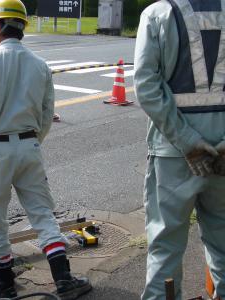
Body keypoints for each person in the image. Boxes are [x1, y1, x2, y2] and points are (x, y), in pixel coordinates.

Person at [0, 0, 92, 298]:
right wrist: (32, 143)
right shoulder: (39, 65)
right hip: (29, 147)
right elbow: (46, 112)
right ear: (21, 27)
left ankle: (4, 289)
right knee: (42, 214)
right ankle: (64, 280)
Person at [134, 0, 225, 299]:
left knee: (165, 248)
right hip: (223, 156)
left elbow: (147, 88)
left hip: (173, 155)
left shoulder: (157, 14)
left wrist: (187, 141)